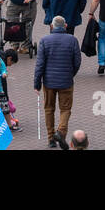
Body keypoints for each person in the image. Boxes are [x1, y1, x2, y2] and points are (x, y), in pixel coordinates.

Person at [34, 16, 83, 149]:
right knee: (65, 109)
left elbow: (40, 64)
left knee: (49, 109)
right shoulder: (72, 40)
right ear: (65, 26)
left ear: (52, 26)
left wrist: (37, 82)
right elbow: (77, 61)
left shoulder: (44, 40)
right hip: (66, 81)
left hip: (49, 82)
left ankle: (51, 139)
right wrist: (70, 73)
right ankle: (60, 132)